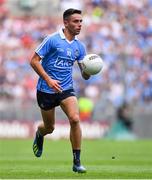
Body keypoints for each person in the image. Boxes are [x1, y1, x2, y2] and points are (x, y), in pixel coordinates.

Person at [30, 8, 90, 173]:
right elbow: (34, 61)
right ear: (66, 22)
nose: (79, 25)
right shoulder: (52, 40)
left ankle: (77, 162)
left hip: (66, 89)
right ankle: (40, 134)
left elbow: (85, 75)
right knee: (50, 128)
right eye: (75, 21)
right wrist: (48, 80)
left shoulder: (80, 47)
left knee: (75, 119)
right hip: (46, 89)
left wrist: (90, 69)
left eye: (81, 21)